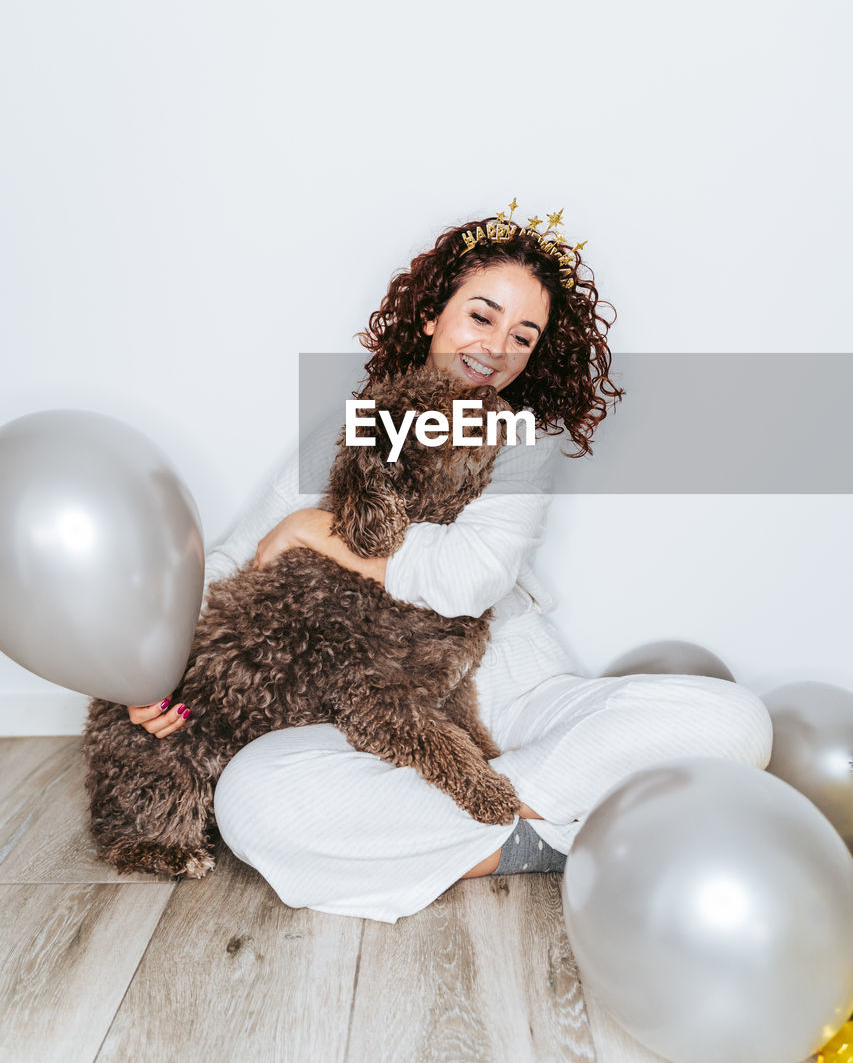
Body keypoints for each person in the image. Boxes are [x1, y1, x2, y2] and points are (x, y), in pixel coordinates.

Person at [128, 209, 774, 923]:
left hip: (503, 690)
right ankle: (555, 833)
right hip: (360, 704)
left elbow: (467, 577)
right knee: (251, 797)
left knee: (735, 720)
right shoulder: (347, 427)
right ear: (433, 315)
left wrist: (318, 527)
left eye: (521, 337)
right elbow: (233, 559)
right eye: (481, 316)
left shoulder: (522, 442)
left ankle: (481, 815)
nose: (495, 347)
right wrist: (151, 671)